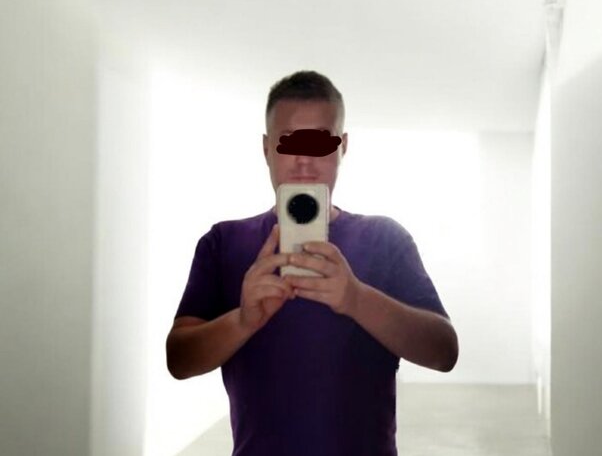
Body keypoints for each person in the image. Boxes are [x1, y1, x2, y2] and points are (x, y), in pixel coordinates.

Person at [166, 70, 458, 456]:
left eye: (319, 142)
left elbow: (444, 352)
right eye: (289, 142)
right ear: (267, 149)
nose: (304, 161)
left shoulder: (386, 239)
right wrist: (242, 321)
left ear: (342, 147)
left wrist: (356, 299)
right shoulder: (223, 242)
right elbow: (179, 360)